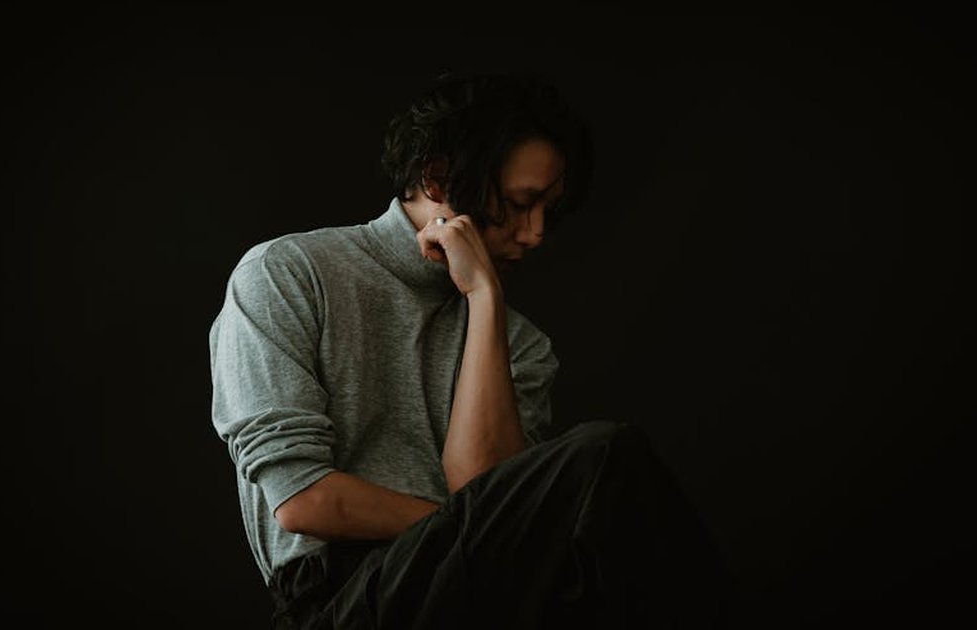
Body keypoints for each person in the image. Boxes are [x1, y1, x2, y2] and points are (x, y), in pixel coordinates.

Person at [208, 70, 736, 629]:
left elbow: (486, 490)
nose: (535, 233)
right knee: (603, 456)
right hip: (343, 600)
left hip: (481, 589)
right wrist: (501, 524)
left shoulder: (520, 343)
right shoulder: (287, 274)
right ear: (437, 178)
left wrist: (483, 297)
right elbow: (302, 500)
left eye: (549, 211)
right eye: (521, 203)